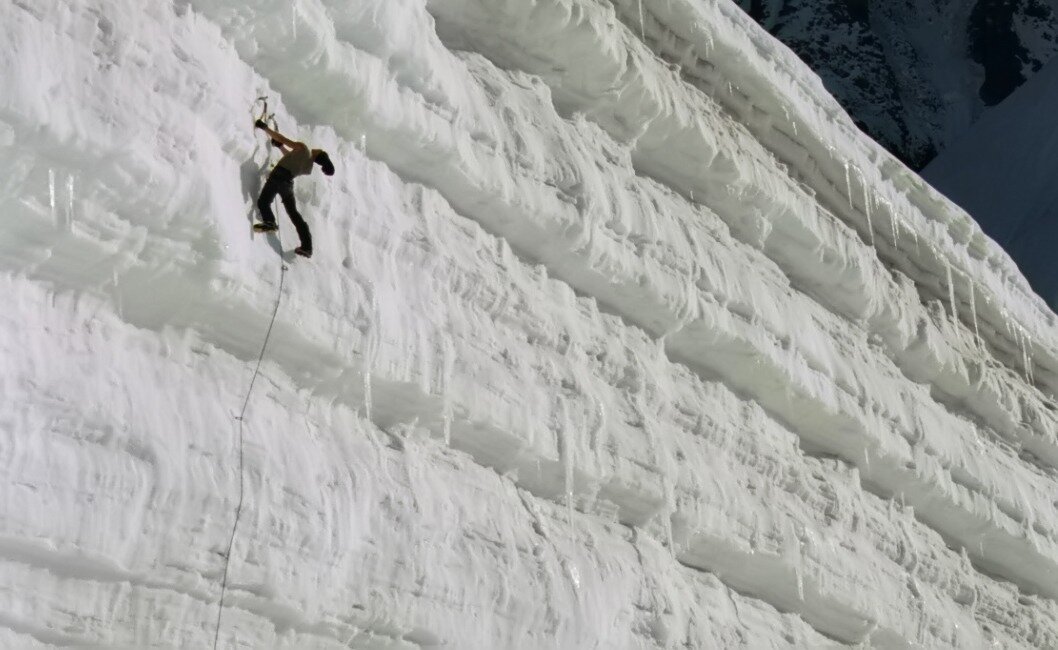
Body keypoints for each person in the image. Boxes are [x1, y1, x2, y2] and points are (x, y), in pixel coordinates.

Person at [252, 119, 335, 258]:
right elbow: (291, 158)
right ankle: (307, 246)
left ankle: (270, 222)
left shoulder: (304, 148)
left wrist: (265, 128)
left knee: (263, 202)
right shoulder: (308, 167)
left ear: (318, 154)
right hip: (287, 184)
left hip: (277, 177)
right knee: (294, 214)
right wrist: (280, 147)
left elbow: (282, 138)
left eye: (319, 150)